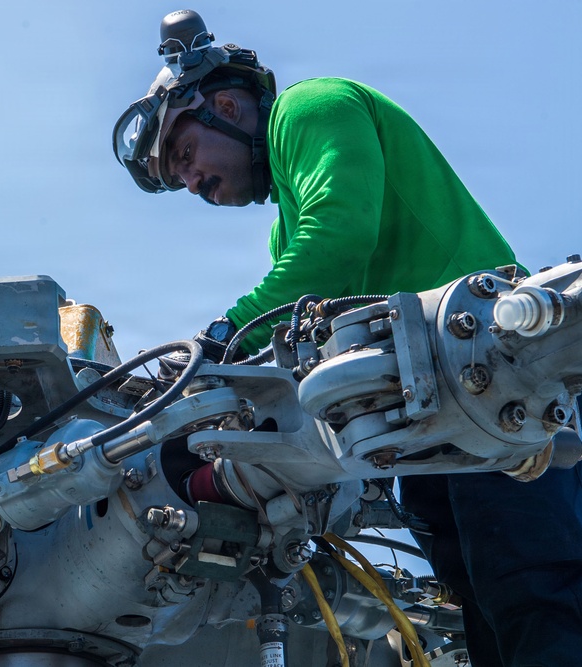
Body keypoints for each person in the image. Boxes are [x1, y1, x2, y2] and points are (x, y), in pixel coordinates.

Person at [112, 9, 582, 666]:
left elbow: (336, 242)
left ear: (226, 105)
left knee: (537, 593)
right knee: (489, 609)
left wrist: (221, 340)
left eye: (186, 155)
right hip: (426, 415)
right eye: (179, 178)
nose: (192, 182)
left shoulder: (311, 108)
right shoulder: (284, 227)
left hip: (493, 377)